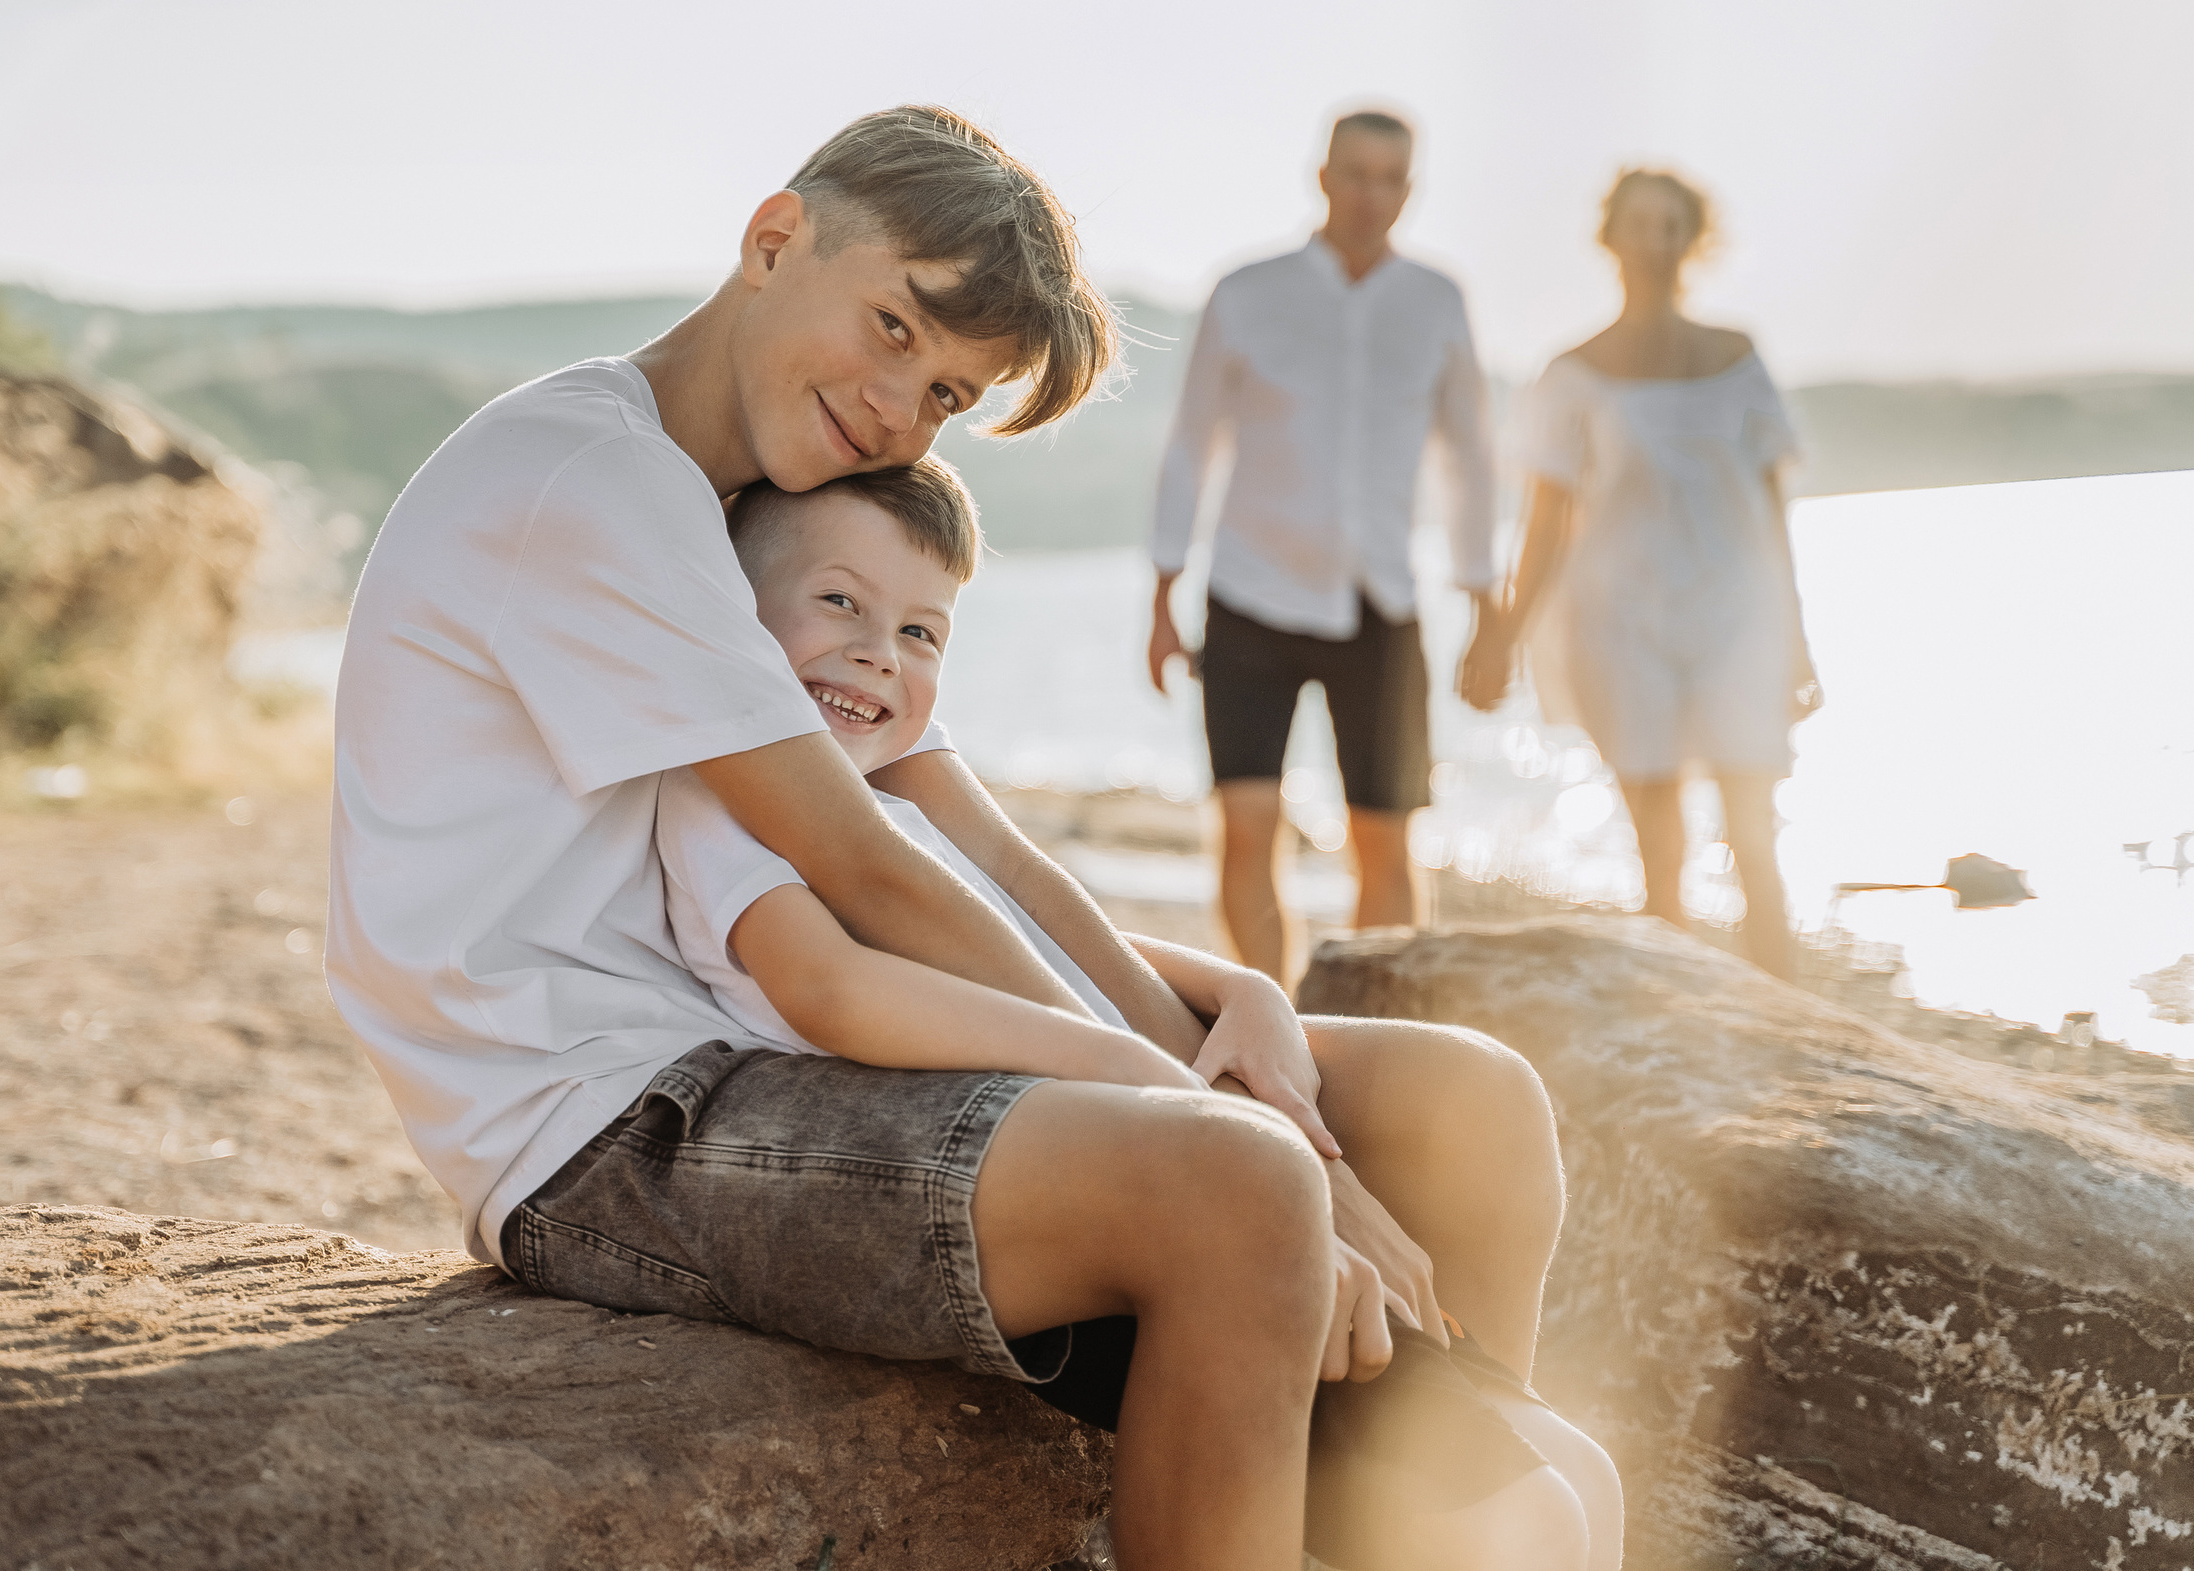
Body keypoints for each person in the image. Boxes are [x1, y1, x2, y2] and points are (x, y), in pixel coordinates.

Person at [328, 104, 1585, 1570]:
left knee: (1463, 1102)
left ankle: (1455, 1478)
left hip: (763, 1045)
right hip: (611, 1125)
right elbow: (863, 874)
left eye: (944, 393)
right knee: (1241, 1187)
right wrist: (1233, 1122)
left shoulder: (781, 513)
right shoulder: (599, 485)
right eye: (891, 326)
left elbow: (975, 856)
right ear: (774, 239)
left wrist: (1212, 1014)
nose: (895, 405)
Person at [630, 457, 1620, 1570]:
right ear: (733, 620)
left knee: (1582, 1479)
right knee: (1524, 1519)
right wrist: (1172, 1087)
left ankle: (1462, 1413)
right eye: (838, 602)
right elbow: (828, 984)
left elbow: (1030, 923)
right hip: (1068, 1167)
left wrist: (1235, 988)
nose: (880, 653)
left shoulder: (889, 784)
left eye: (920, 633)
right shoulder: (728, 794)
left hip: (1122, 1117)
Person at [1147, 109, 1499, 983]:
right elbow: (1192, 443)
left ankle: (1367, 1024)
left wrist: (1486, 602)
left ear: (1410, 189)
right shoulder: (1246, 292)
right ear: (1322, 176)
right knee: (1247, 826)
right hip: (1249, 596)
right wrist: (1162, 591)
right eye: (1356, 173)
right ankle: (1274, 1016)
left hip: (1383, 604)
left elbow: (1470, 457)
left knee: (1387, 840)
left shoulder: (1436, 301)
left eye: (1390, 178)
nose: (1371, 194)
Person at [1458, 168, 1820, 980]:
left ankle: (1787, 1016)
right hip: (1620, 618)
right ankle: (1680, 1018)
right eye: (1640, 225)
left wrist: (1798, 639)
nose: (1655, 243)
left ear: (1692, 240)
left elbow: (1773, 510)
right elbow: (1546, 522)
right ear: (1610, 238)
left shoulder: (1739, 358)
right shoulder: (1571, 372)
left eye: (1671, 227)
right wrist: (1503, 635)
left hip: (1739, 614)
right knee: (1659, 839)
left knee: (1753, 832)